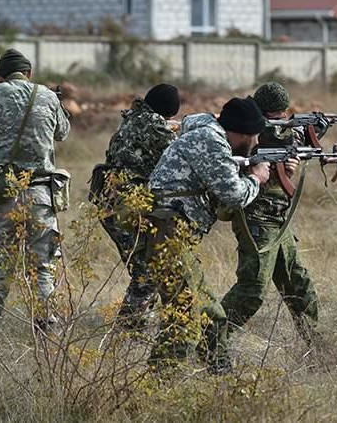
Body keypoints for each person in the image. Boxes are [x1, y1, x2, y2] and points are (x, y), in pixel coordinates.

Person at [144, 97, 270, 373]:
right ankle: (159, 382)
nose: (257, 141)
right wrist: (256, 178)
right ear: (243, 133)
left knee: (205, 314)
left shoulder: (206, 133)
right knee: (189, 314)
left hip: (171, 231)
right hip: (169, 232)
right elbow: (234, 195)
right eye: (255, 135)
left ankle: (218, 376)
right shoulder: (211, 141)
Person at [220, 83, 321, 346]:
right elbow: (239, 174)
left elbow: (292, 139)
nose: (281, 121)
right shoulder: (244, 135)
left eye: (283, 116)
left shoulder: (279, 134)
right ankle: (210, 338)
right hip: (255, 220)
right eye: (276, 117)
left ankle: (316, 347)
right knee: (251, 291)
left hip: (279, 219)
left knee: (298, 285)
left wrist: (288, 167)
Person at [0, 48, 70, 336]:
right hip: (40, 195)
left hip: (2, 194)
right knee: (42, 268)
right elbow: (63, 133)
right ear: (29, 73)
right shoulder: (47, 96)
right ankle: (46, 333)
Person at [93, 83, 180, 330]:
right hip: (127, 207)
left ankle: (137, 323)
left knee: (144, 266)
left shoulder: (133, 118)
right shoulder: (156, 127)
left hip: (111, 204)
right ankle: (129, 327)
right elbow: (178, 153)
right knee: (148, 269)